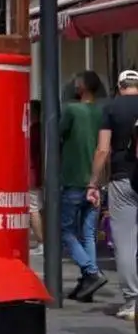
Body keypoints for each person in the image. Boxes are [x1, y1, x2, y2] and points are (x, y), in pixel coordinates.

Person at [88, 66, 138, 319]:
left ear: (119, 86)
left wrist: (94, 182)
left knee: (126, 243)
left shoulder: (111, 108)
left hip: (123, 181)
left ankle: (132, 301)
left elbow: (103, 150)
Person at [60, 71, 107, 301]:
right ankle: (88, 283)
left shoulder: (71, 110)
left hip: (73, 179)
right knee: (88, 234)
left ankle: (91, 271)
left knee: (65, 230)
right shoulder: (101, 112)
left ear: (83, 87)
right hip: (95, 181)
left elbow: (57, 136)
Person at [28, 102, 43, 250]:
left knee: (33, 208)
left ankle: (41, 241)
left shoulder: (32, 131)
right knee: (40, 208)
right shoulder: (44, 130)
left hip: (32, 174)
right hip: (42, 174)